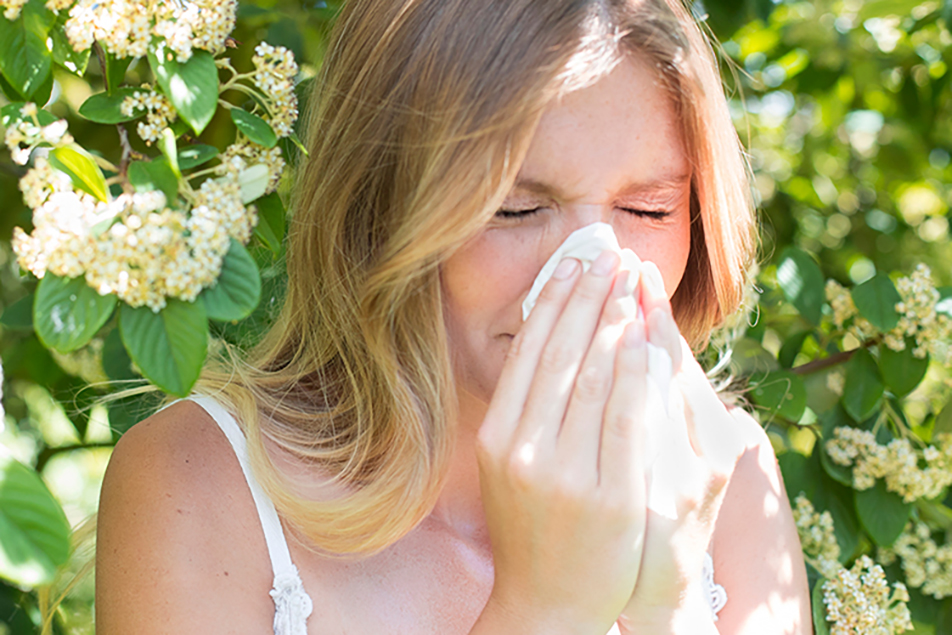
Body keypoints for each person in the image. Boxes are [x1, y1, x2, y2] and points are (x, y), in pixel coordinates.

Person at [95, 0, 812, 633]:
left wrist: (673, 608)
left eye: (647, 210)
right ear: (382, 208)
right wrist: (545, 611)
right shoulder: (196, 481)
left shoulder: (728, 476)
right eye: (515, 209)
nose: (596, 267)